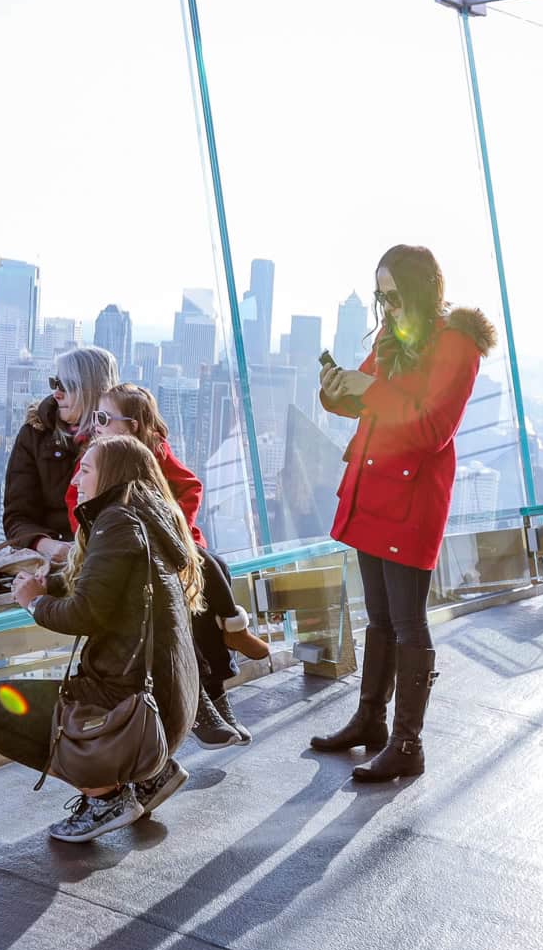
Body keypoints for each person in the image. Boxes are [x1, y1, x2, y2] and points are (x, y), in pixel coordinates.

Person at [311, 243, 497, 783]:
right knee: (379, 616)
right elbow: (370, 401)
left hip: (412, 498)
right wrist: (338, 391)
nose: (385, 306)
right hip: (376, 490)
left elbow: (432, 429)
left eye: (393, 295)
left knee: (409, 621)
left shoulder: (456, 345)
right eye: (379, 295)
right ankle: (371, 719)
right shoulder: (396, 338)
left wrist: (373, 388)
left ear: (420, 289)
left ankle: (407, 743)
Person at [0, 433, 203, 843]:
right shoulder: (152, 520)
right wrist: (55, 582)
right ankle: (149, 775)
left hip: (130, 710)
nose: (76, 481)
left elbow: (84, 613)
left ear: (111, 475)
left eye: (86, 470)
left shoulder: (116, 521)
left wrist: (32, 602)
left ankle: (104, 796)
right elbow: (112, 583)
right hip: (168, 709)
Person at [76, 383, 269, 746]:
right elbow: (80, 504)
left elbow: (190, 486)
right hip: (136, 551)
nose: (96, 425)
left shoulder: (154, 454)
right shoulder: (98, 458)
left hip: (168, 543)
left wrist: (178, 525)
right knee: (189, 588)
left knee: (209, 571)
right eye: (96, 417)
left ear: (132, 425)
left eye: (103, 418)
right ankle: (215, 679)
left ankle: (213, 693)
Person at [4, 345, 117, 568]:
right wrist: (47, 545)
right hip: (50, 561)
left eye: (66, 386)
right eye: (55, 383)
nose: (56, 393)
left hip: (106, 559)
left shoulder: (123, 439)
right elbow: (17, 517)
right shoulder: (35, 434)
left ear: (91, 389)